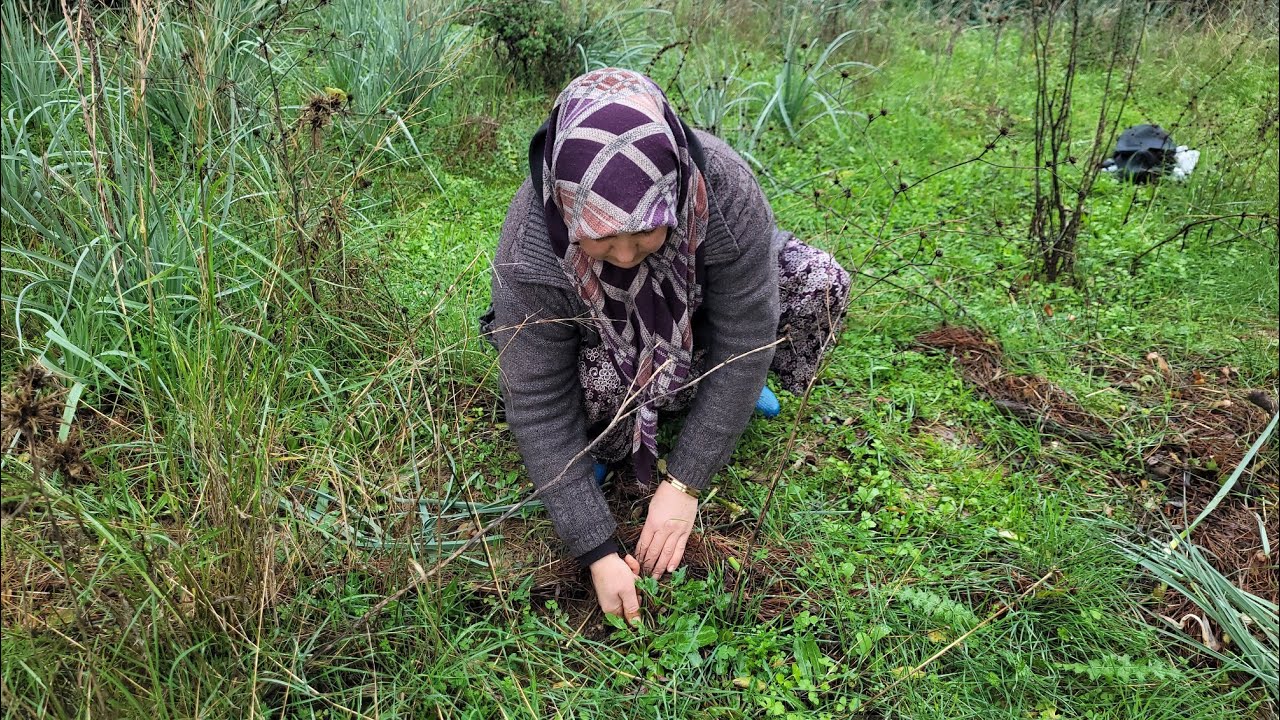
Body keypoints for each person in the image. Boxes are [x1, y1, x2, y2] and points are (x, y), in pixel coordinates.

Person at [481, 68, 850, 624]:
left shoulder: (721, 188)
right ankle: (621, 439)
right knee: (607, 391)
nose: (627, 255)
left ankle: (731, 391)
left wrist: (684, 483)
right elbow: (536, 401)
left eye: (647, 232)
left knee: (820, 285)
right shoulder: (531, 247)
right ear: (567, 211)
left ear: (675, 193)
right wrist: (597, 547)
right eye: (602, 238)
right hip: (601, 342)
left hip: (698, 309)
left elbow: (747, 331)